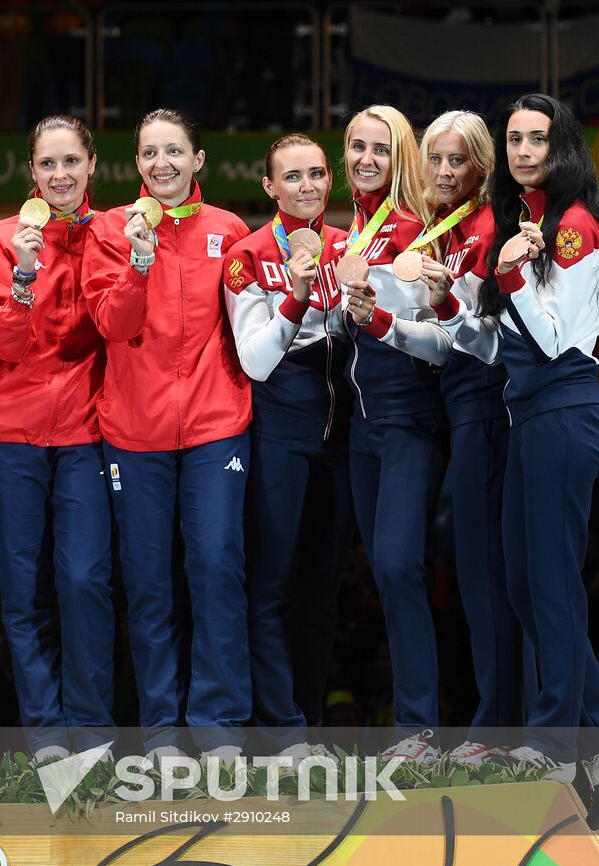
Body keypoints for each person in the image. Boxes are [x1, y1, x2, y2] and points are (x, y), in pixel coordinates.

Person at [474, 93, 599, 824]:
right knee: (524, 579)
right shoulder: (530, 221)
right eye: (513, 138)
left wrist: (508, 271)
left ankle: (554, 741)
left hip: (564, 413)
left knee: (550, 582)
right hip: (527, 417)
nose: (523, 150)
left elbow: (553, 340)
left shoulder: (574, 229)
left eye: (538, 138)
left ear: (563, 145)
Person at [82, 108, 250, 759]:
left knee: (214, 568)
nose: (162, 164)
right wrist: (140, 261)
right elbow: (113, 323)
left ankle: (218, 724)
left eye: (174, 151)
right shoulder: (110, 232)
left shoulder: (229, 231)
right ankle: (160, 729)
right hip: (134, 430)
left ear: (198, 159)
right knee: (149, 581)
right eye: (150, 153)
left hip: (216, 427)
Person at [0, 115, 112, 759]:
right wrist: (24, 275)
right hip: (13, 433)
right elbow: (3, 343)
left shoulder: (113, 235)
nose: (60, 176)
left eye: (71, 163)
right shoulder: (3, 240)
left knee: (84, 581)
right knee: (25, 590)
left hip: (88, 430)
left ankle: (89, 732)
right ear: (31, 172)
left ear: (92, 165)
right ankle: (47, 738)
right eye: (47, 165)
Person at [222, 133, 352, 751]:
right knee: (270, 586)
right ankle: (280, 728)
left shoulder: (352, 248)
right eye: (291, 177)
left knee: (322, 592)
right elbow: (253, 360)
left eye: (316, 174)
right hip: (278, 428)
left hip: (342, 435)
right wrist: (297, 298)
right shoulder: (248, 255)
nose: (306, 186)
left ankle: (309, 725)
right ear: (269, 186)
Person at [337, 105, 450, 763]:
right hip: (361, 426)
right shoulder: (352, 229)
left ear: (401, 154)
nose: (367, 158)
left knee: (399, 564)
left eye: (381, 148)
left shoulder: (415, 229)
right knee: (384, 570)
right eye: (358, 146)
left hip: (409, 416)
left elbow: (436, 346)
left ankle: (421, 730)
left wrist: (374, 312)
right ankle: (410, 721)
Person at [416, 110, 524, 764]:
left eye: (460, 160)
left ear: (483, 166)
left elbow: (485, 341)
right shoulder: (443, 229)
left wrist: (447, 296)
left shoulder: (486, 228)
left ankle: (496, 726)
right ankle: (494, 717)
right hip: (459, 406)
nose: (447, 171)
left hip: (487, 403)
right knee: (475, 566)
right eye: (437, 159)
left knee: (487, 571)